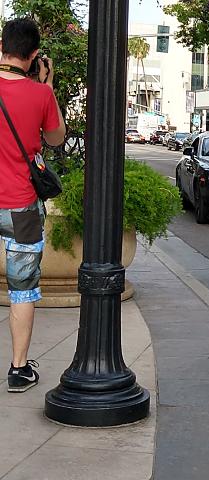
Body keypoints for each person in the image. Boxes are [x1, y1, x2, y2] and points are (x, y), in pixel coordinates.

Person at [0, 18, 66, 392]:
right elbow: (56, 138)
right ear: (35, 55)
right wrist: (47, 87)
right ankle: (18, 369)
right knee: (21, 288)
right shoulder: (39, 95)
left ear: (1, 46)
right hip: (21, 206)